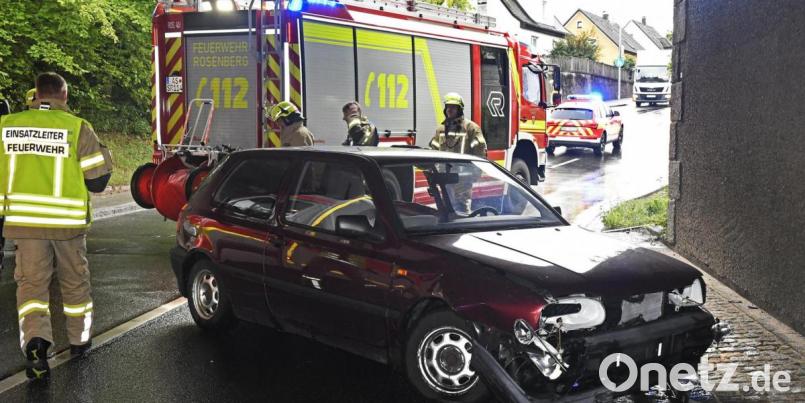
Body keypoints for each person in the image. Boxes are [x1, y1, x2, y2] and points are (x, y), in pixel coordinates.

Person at [0, 72, 113, 380]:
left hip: (25, 225)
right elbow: (99, 181)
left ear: (36, 93)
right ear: (64, 96)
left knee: (32, 288)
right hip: (67, 226)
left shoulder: (6, 126)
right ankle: (79, 342)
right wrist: (105, 155)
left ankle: (36, 346)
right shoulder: (77, 127)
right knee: (75, 284)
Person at [429, 93, 487, 213]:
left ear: (459, 109)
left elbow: (480, 153)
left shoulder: (471, 128)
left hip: (463, 179)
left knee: (461, 209)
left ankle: (464, 230)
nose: (450, 110)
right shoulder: (441, 129)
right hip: (444, 178)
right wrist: (432, 173)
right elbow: (433, 152)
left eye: (453, 107)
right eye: (448, 107)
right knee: (446, 209)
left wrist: (474, 175)